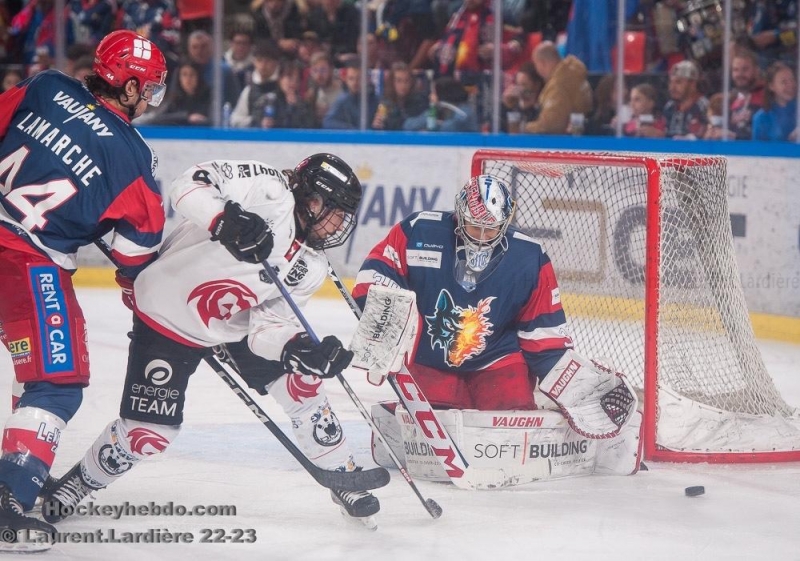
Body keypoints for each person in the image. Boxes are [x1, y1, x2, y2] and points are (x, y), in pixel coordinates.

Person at [40, 153, 382, 527]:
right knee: (148, 434)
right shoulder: (269, 190)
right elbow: (188, 183)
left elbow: (267, 327)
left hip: (232, 325)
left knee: (302, 384)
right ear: (312, 200)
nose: (339, 225)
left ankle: (341, 473)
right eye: (335, 211)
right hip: (167, 314)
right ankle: (80, 482)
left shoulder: (310, 266)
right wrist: (226, 219)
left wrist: (298, 350)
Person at [353, 174, 642, 482]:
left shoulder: (529, 258)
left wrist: (570, 379)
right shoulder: (419, 230)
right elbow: (377, 271)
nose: (480, 236)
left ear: (506, 222)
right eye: (473, 226)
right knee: (438, 422)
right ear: (458, 216)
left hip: (497, 357)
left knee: (513, 419)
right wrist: (386, 323)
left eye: (490, 228)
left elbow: (543, 336)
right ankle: (402, 413)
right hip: (429, 356)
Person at [0, 29, 168, 540]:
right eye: (152, 86)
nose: (154, 97)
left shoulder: (46, 87)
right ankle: (10, 492)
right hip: (27, 265)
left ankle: (18, 465)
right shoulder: (133, 156)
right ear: (133, 86)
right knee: (55, 383)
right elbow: (137, 251)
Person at [752, 61, 798, 142]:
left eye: (792, 79)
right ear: (772, 86)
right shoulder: (761, 118)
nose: (791, 85)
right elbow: (758, 152)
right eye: (784, 82)